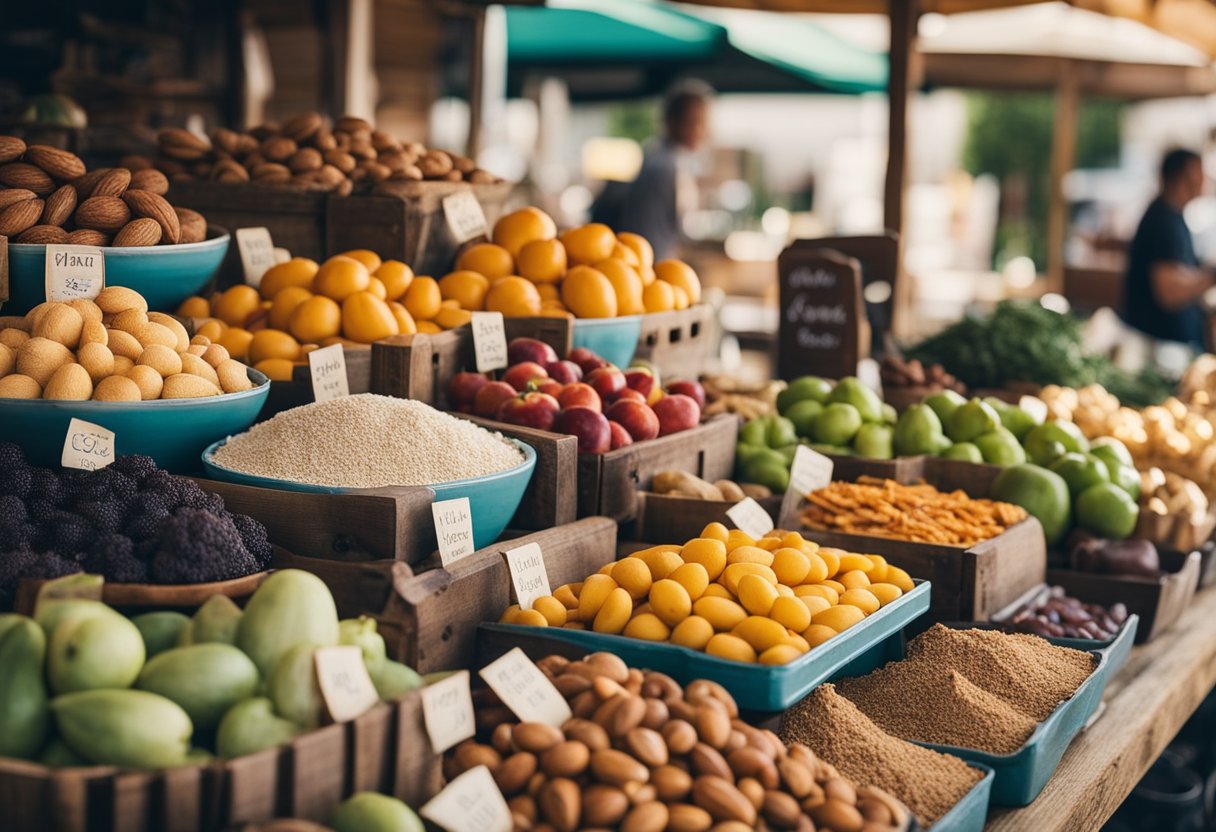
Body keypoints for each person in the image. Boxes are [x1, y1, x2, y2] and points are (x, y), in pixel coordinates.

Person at [592, 83, 712, 260]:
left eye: (703, 122)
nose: (700, 130)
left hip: (638, 262)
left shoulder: (655, 157)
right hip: (648, 263)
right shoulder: (667, 167)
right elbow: (680, 228)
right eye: (693, 121)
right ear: (671, 121)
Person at [1123, 148, 1213, 349]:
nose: (1204, 178)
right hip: (1162, 349)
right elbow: (1169, 290)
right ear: (1183, 176)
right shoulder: (1162, 220)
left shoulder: (1173, 216)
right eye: (1199, 171)